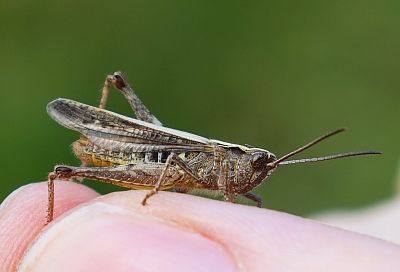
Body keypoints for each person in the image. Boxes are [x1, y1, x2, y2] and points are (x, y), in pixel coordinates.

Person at [1, 181, 399, 271]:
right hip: (152, 158)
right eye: (258, 165)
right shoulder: (217, 160)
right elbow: (178, 169)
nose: (258, 177)